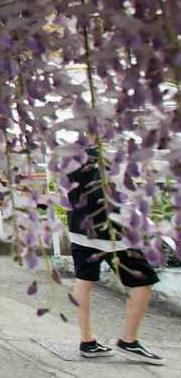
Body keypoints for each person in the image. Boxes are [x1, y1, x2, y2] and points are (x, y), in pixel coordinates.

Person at [67, 153, 163, 364]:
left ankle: (87, 341)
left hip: (80, 228)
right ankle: (129, 340)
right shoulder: (111, 157)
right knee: (144, 281)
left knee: (84, 280)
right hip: (112, 234)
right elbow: (121, 200)